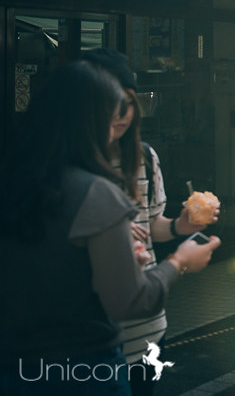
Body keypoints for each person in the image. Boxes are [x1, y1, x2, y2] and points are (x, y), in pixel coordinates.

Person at [1, 61, 219, 395]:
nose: (117, 127)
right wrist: (180, 261)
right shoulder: (94, 192)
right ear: (89, 120)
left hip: (20, 365)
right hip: (88, 363)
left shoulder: (18, 183)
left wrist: (175, 227)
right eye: (111, 118)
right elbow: (129, 300)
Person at [82, 49, 218, 395]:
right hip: (90, 329)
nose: (119, 113)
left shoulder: (144, 158)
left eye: (127, 102)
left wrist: (180, 227)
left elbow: (153, 223)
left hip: (147, 321)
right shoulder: (68, 167)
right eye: (106, 100)